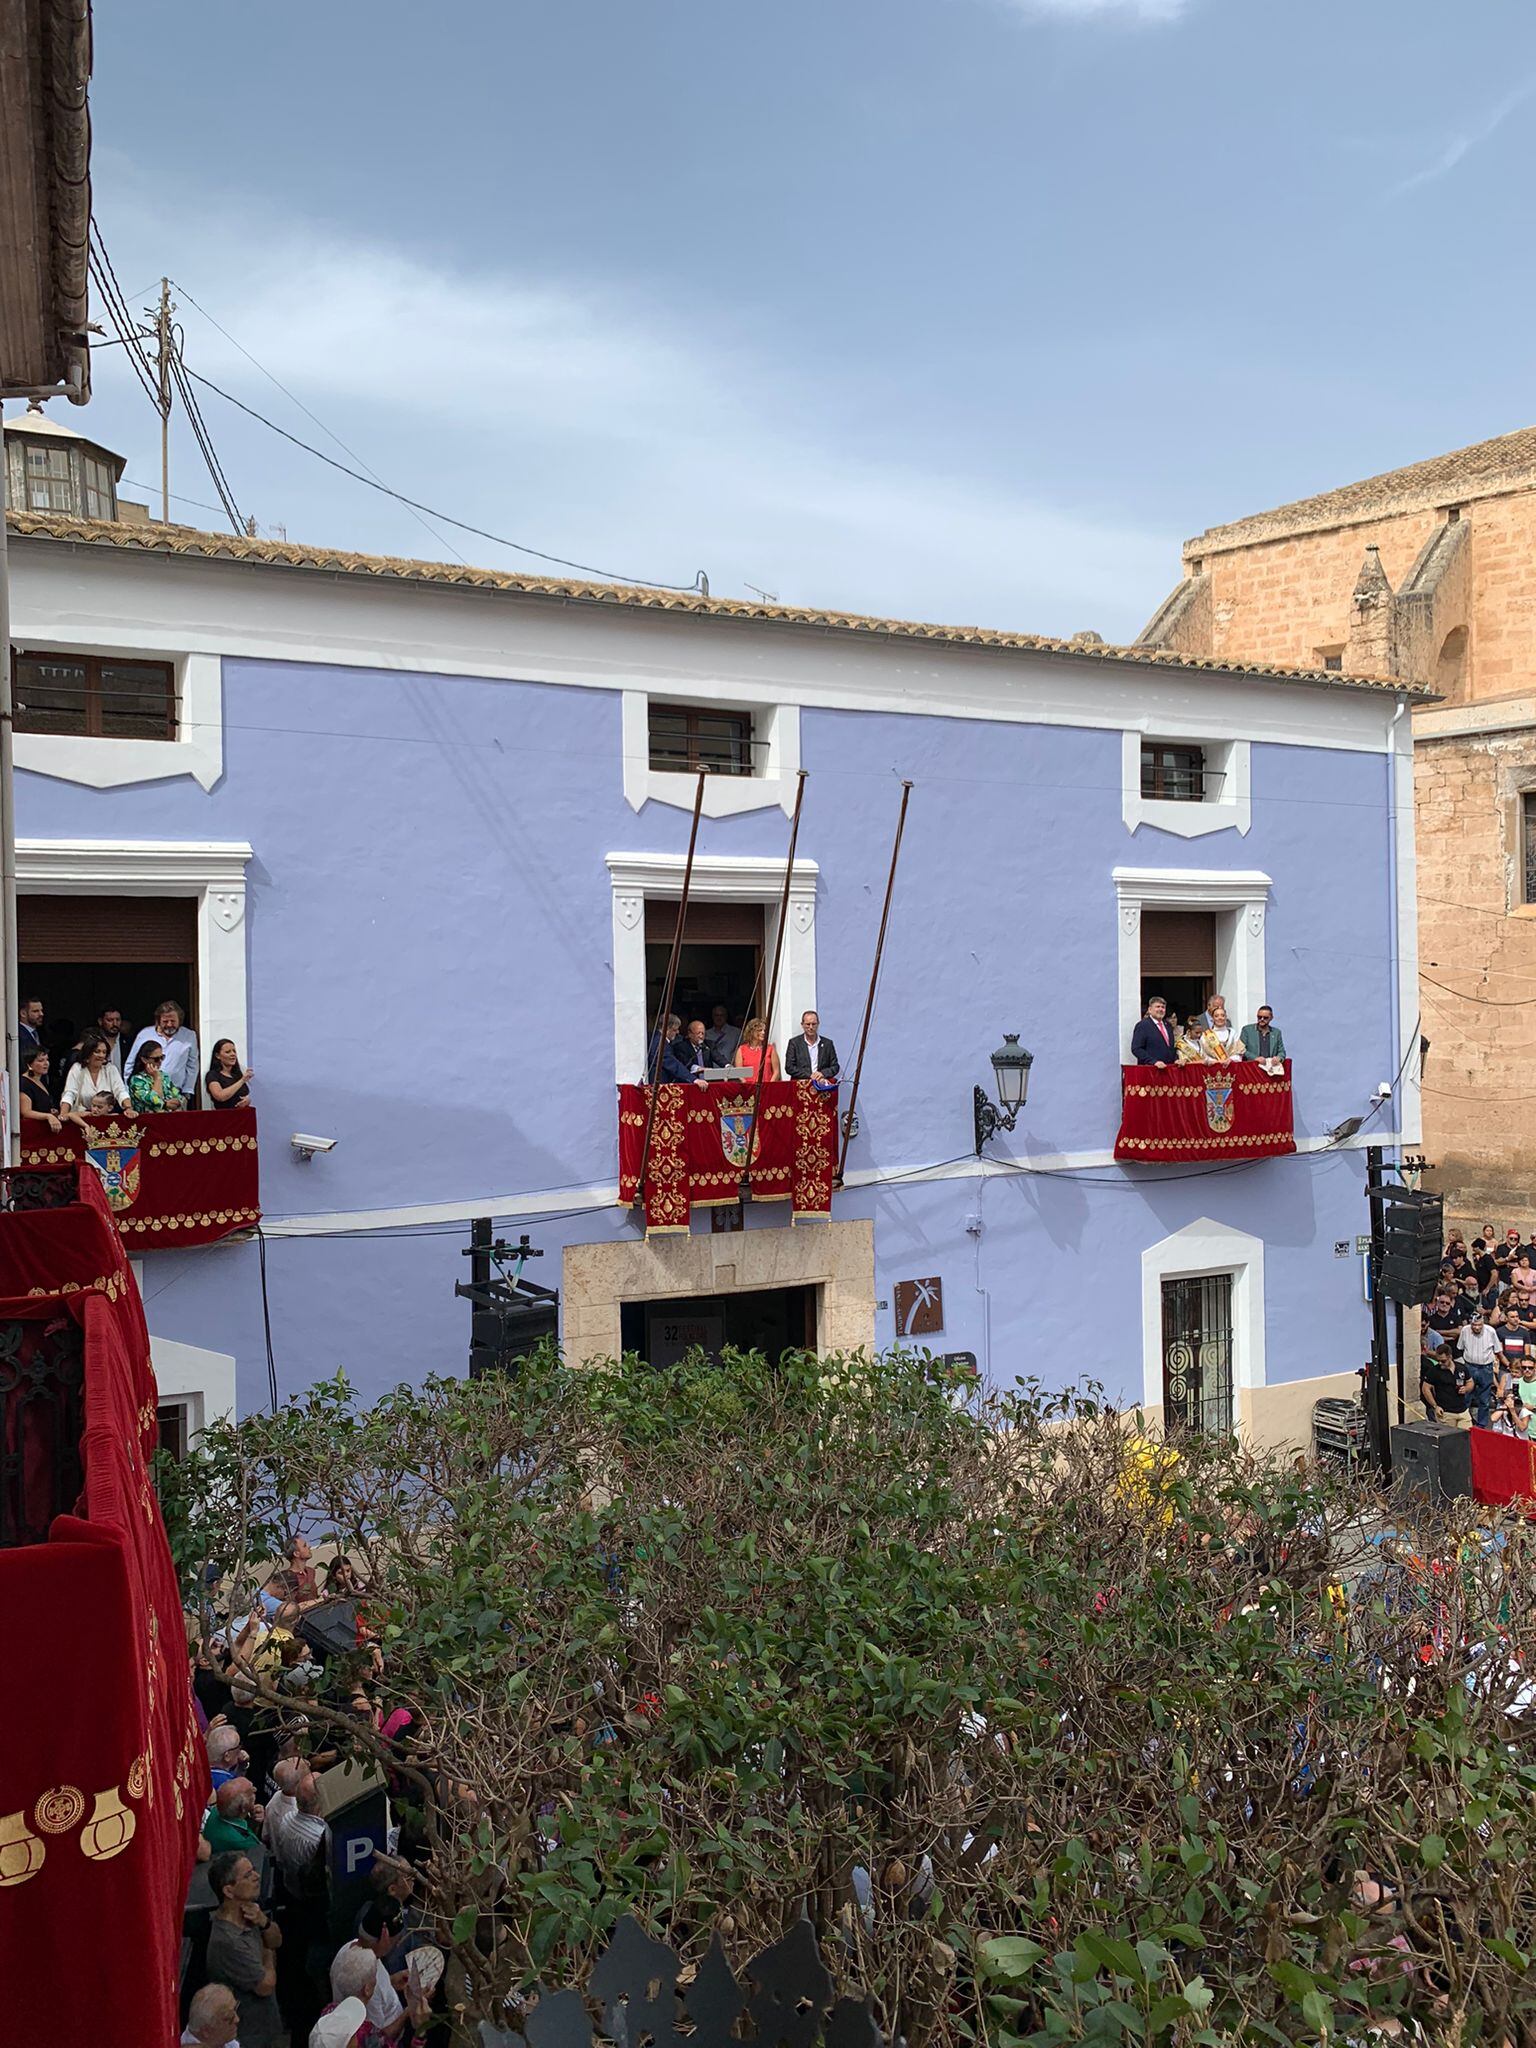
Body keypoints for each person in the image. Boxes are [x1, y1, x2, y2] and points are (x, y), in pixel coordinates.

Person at [206, 1849, 283, 2048]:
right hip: (249, 2037)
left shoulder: (251, 1911)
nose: (256, 1876)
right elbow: (266, 1985)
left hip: (267, 2025)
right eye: (248, 1875)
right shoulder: (227, 1941)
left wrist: (263, 1922)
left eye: (254, 1870)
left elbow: (276, 1940)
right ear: (228, 1890)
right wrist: (267, 1951)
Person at [127, 997, 199, 1096]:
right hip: (146, 1092)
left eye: (173, 1021)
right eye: (165, 1021)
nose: (169, 1024)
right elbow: (130, 1063)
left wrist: (188, 1091)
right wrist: (127, 1092)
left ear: (180, 1020)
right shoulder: (144, 1034)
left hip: (176, 1094)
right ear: (158, 1020)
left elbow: (192, 1066)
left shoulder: (189, 1036)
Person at [59, 1029, 132, 1120]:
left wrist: (129, 1108)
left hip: (106, 1119)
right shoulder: (77, 1068)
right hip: (82, 1118)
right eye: (97, 1051)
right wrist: (64, 1114)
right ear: (88, 1053)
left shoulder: (111, 1069)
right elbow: (69, 1093)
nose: (101, 1055)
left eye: (104, 1052)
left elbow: (121, 1091)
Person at [1457, 1312, 1501, 1428]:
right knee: (1466, 1396)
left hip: (1485, 1368)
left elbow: (1497, 1349)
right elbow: (1460, 1347)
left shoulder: (1491, 1331)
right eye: (1474, 1325)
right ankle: (1465, 1422)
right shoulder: (1465, 1330)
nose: (1476, 1327)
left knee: (1484, 1399)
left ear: (1483, 1323)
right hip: (1469, 1367)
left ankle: (1481, 1425)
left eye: (1479, 1325)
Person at [204, 1778, 265, 1856]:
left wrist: (253, 1821)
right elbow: (258, 1854)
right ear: (243, 1808)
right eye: (251, 1792)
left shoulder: (216, 1811)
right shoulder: (243, 1842)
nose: (255, 1790)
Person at [129, 1037, 188, 1112]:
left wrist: (177, 1102)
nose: (160, 1061)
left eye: (162, 1057)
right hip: (146, 1121)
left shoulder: (165, 1076)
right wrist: (157, 1078)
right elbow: (153, 1100)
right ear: (144, 1060)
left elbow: (177, 1095)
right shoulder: (136, 1080)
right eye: (156, 1059)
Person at [1420, 1349, 1473, 1431]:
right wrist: (1435, 1406)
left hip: (1463, 1411)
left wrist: (1466, 1388)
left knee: (1466, 1437)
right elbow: (1425, 1388)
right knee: (1449, 1440)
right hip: (1446, 1412)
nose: (1440, 1363)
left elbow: (1470, 1382)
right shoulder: (1435, 1371)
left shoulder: (1461, 1368)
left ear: (1450, 1357)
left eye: (1443, 1361)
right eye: (1438, 1360)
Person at [182, 1981, 241, 2047]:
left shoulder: (225, 2041)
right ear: (206, 2031)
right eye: (229, 2017)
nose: (237, 2019)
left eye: (236, 2009)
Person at [785, 1009, 839, 1081]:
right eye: (808, 1024)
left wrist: (822, 1073)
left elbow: (835, 1066)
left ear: (818, 1024)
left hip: (822, 1085)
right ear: (802, 1025)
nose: (811, 1027)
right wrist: (810, 1075)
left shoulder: (827, 1044)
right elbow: (789, 1067)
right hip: (801, 1086)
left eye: (813, 1024)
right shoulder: (794, 1043)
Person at [19, 1043, 62, 1132]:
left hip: (44, 1130)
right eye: (41, 1060)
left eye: (47, 1059)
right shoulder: (24, 1083)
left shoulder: (41, 1081)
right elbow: (26, 1112)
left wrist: (51, 1112)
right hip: (32, 1131)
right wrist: (47, 1116)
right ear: (29, 1064)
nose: (46, 1063)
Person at [1191, 995, 1242, 1063]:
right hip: (1212, 1068)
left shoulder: (1233, 1033)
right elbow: (1202, 1053)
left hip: (1231, 1067)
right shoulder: (1206, 1035)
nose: (1220, 1018)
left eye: (1223, 1015)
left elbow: (1238, 1051)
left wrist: (1230, 1059)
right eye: (1216, 1016)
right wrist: (1214, 1061)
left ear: (1226, 1017)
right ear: (1212, 1019)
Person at [206, 1038, 254, 1108]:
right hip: (225, 1116)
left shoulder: (237, 1075)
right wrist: (242, 1080)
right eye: (228, 1052)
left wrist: (247, 1100)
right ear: (217, 1055)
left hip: (243, 1116)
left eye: (234, 1051)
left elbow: (243, 1095)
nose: (233, 1054)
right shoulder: (213, 1075)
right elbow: (220, 1096)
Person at [1131, 995, 1176, 1067]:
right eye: (1157, 1007)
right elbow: (1136, 1049)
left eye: (1163, 1007)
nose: (1161, 1009)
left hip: (1168, 1070)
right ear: (1150, 1009)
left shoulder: (1168, 1025)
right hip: (1151, 1070)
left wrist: (1176, 1059)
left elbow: (1171, 1048)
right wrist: (1153, 1062)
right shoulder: (1143, 1025)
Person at [736, 1016, 779, 1083]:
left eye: (764, 1030)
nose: (763, 1033)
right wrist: (746, 1084)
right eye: (760, 1030)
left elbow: (776, 1072)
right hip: (748, 1088)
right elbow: (738, 1072)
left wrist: (769, 1085)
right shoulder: (742, 1049)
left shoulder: (770, 1049)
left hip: (767, 1087)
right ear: (751, 1032)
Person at [17, 996, 43, 1063]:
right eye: (35, 1011)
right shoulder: (18, 1035)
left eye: (41, 1010)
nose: (41, 1014)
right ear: (23, 1013)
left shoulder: (38, 1033)